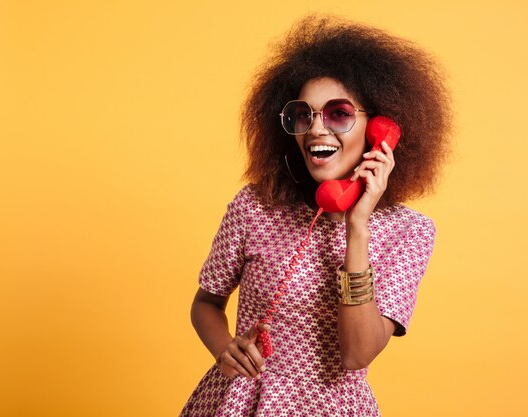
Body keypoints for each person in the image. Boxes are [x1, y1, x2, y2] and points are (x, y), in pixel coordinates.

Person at [180, 14, 451, 417]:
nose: (316, 129)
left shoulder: (408, 232)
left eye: (338, 113)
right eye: (303, 115)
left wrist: (357, 228)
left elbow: (357, 355)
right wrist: (226, 349)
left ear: (379, 129)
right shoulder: (255, 205)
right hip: (240, 403)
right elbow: (205, 303)